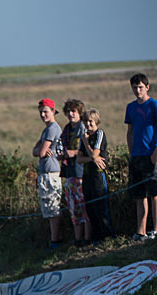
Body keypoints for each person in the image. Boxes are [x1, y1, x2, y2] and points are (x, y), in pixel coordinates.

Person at [124, 73, 157, 241]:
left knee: (154, 193)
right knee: (139, 195)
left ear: (147, 87)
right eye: (134, 87)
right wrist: (131, 152)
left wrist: (155, 153)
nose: (137, 90)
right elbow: (129, 132)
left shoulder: (154, 105)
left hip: (151, 155)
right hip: (136, 156)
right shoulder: (130, 107)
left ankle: (156, 229)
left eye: (140, 87)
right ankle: (141, 230)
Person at [78, 109, 115, 242]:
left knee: (101, 207)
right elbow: (79, 159)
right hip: (87, 176)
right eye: (85, 122)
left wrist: (87, 144)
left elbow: (94, 154)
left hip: (98, 176)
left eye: (90, 121)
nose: (88, 125)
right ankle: (97, 237)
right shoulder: (84, 136)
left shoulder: (99, 134)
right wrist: (92, 158)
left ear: (96, 122)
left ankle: (108, 236)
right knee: (90, 208)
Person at [32, 98, 63, 248]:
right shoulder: (47, 129)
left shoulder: (52, 128)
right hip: (46, 171)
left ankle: (56, 240)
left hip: (51, 171)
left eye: (45, 111)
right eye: (41, 112)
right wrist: (39, 150)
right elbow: (35, 150)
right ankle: (54, 239)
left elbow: (41, 151)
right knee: (49, 207)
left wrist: (40, 150)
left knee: (52, 207)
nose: (43, 115)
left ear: (53, 111)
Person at [59, 99, 90, 246]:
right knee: (73, 208)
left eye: (74, 112)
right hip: (69, 172)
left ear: (79, 113)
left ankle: (87, 238)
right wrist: (62, 154)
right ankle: (78, 240)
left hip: (81, 172)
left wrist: (75, 153)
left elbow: (88, 149)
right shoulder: (66, 129)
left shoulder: (83, 128)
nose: (71, 114)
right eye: (68, 112)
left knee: (85, 208)